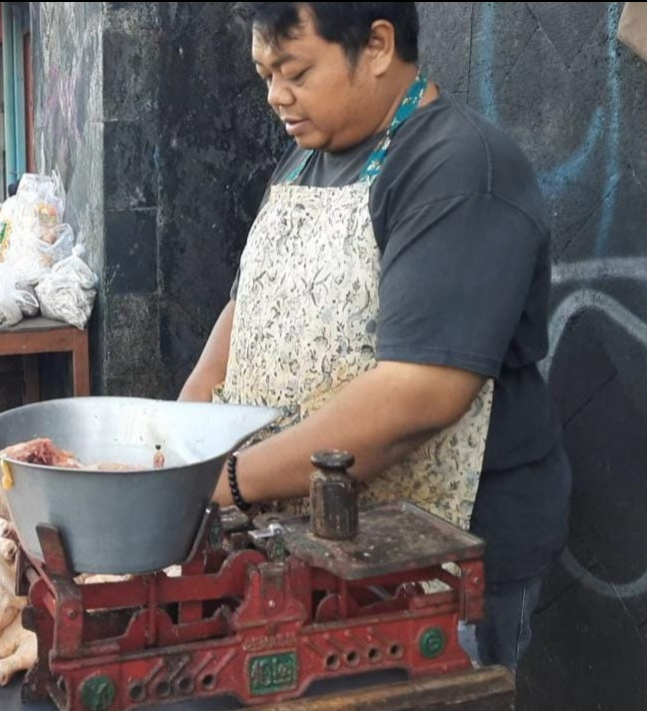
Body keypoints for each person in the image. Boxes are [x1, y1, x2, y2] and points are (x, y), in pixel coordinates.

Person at [180, 2, 569, 673]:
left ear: (379, 45)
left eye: (295, 70)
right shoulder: (304, 161)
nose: (276, 96)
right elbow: (245, 310)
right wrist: (179, 445)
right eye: (265, 73)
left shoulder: (455, 167)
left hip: (442, 553)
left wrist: (232, 479)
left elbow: (415, 396)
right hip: (312, 541)